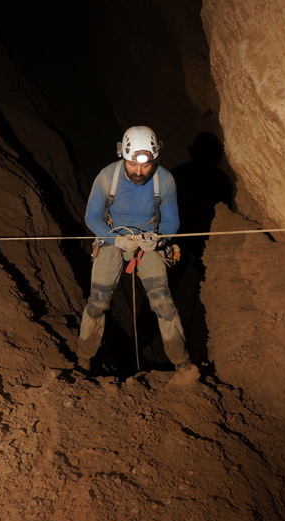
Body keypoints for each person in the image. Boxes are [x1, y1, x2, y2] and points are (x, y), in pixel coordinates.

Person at [77, 126, 196, 380]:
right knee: (98, 300)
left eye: (146, 165)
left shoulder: (164, 180)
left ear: (155, 159)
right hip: (113, 238)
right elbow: (92, 217)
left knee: (163, 302)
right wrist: (116, 239)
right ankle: (84, 359)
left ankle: (182, 364)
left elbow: (171, 221)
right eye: (133, 164)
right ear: (122, 155)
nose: (139, 171)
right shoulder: (107, 177)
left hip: (147, 241)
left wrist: (158, 238)